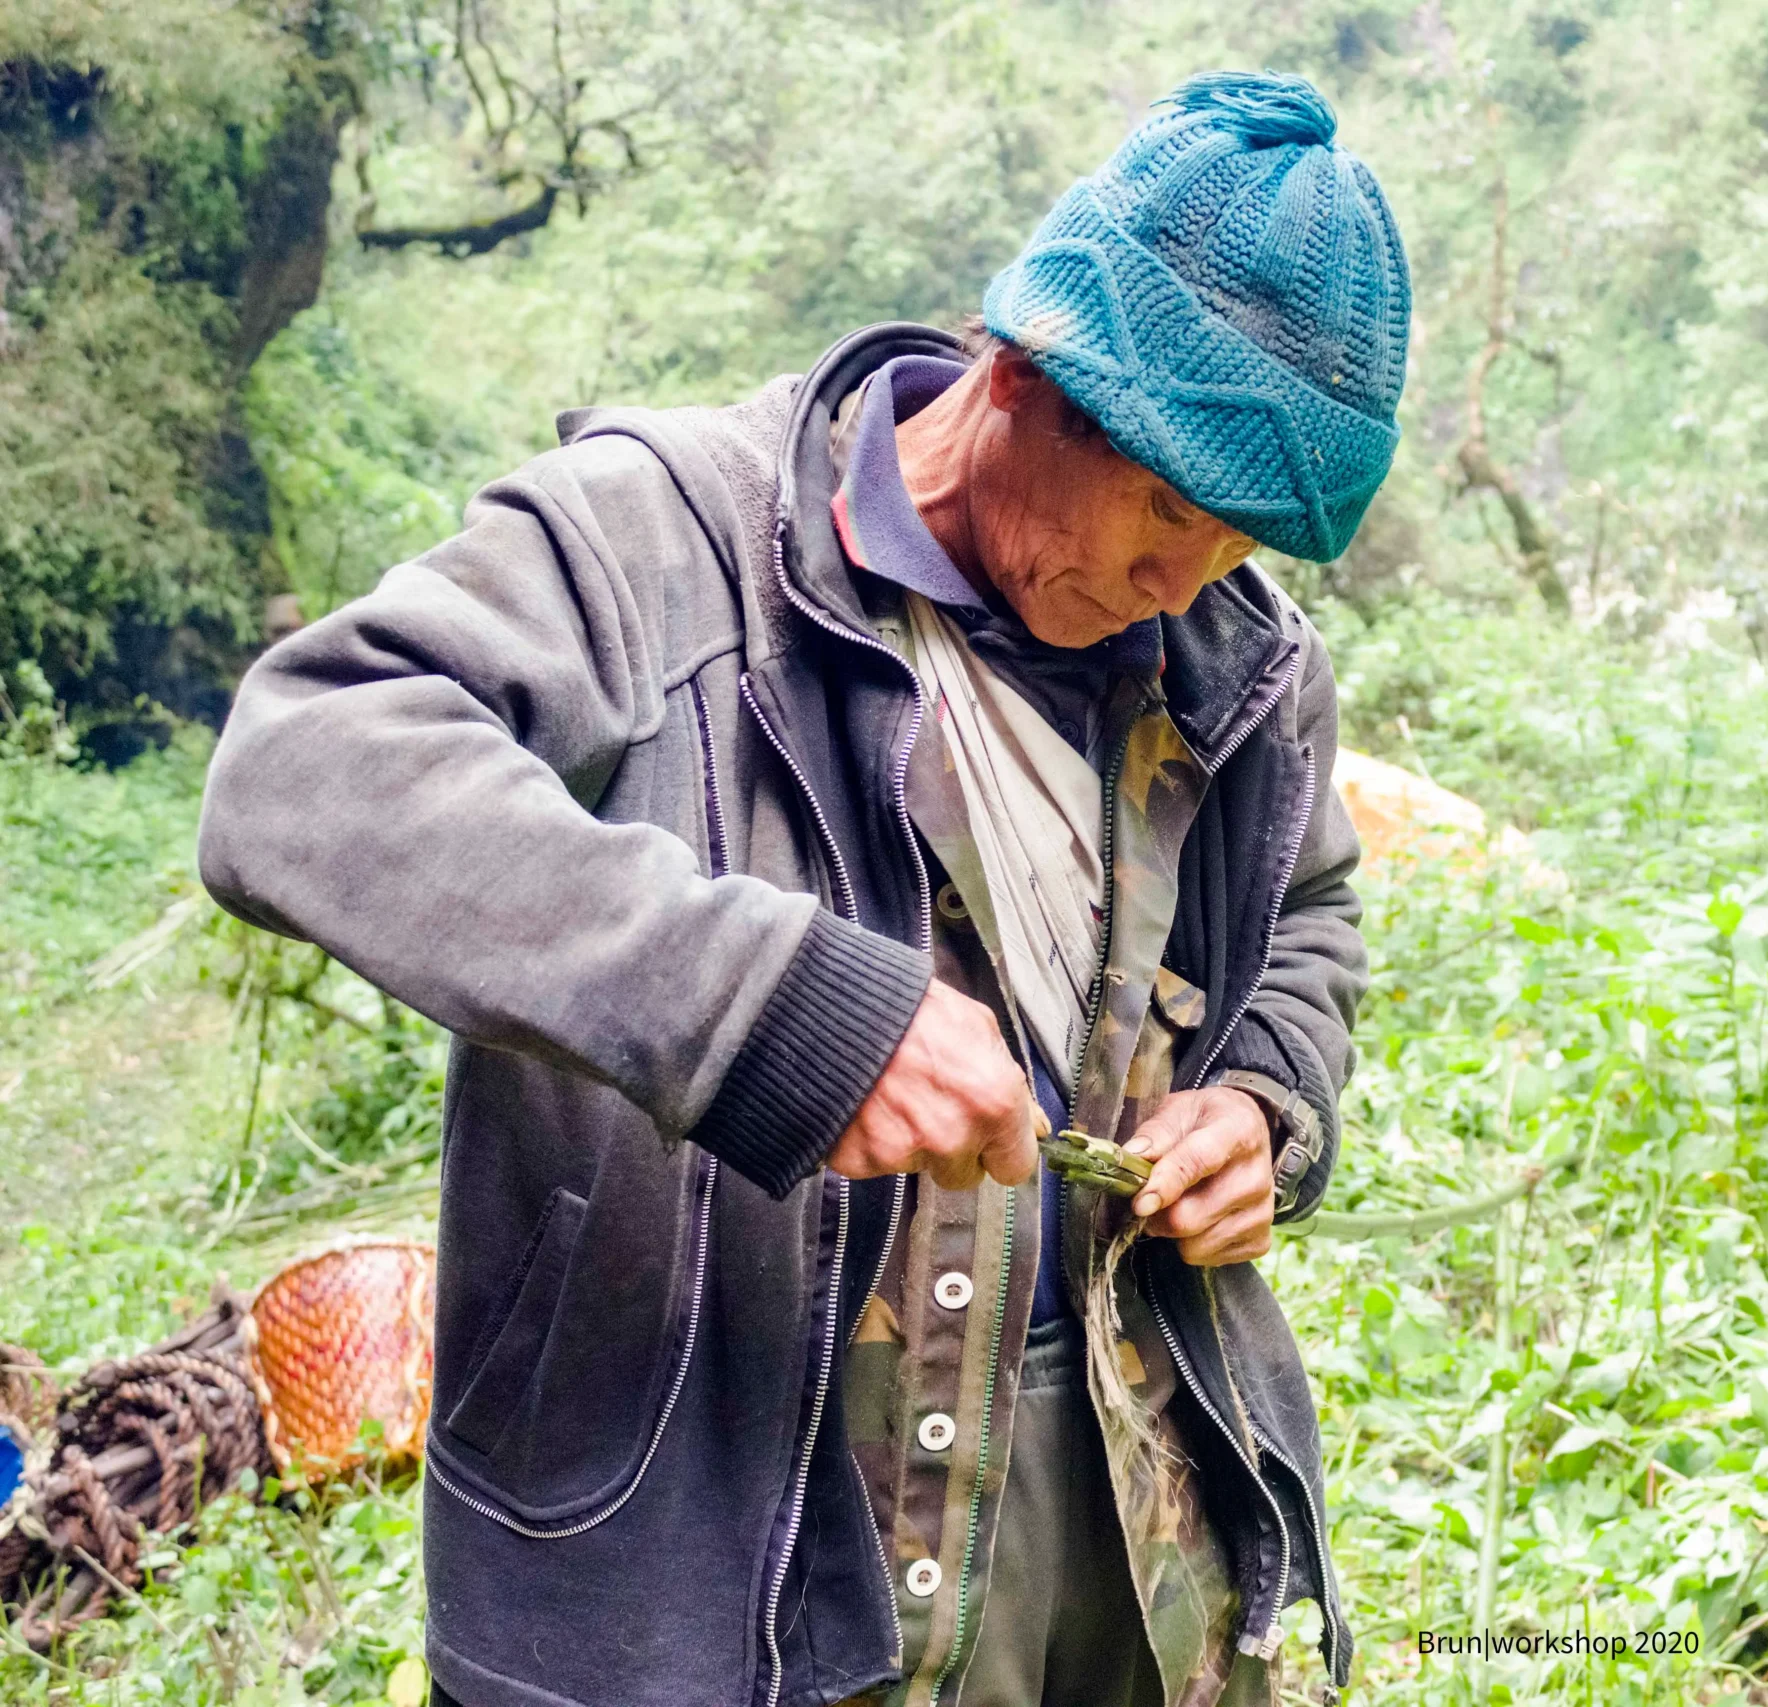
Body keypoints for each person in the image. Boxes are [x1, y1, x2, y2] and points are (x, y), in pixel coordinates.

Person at [196, 69, 1408, 1707]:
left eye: (1235, 542)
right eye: (1167, 507)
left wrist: (1269, 1102)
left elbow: (1312, 910)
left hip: (1146, 1519)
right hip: (736, 1546)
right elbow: (309, 763)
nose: (1173, 581)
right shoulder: (668, 538)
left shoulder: (1235, 661)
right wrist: (771, 1008)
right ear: (1031, 371)